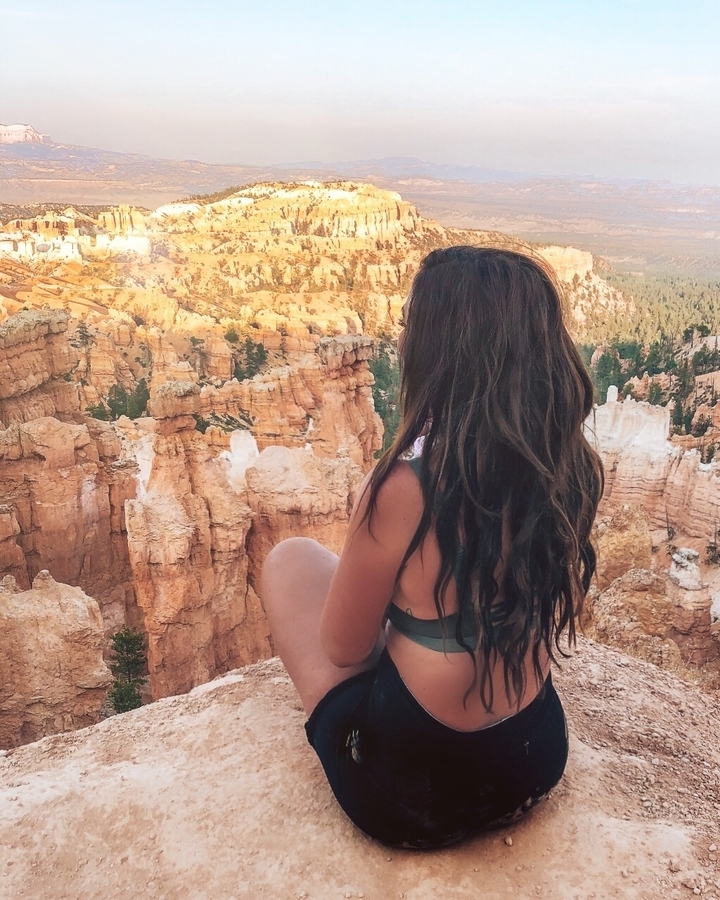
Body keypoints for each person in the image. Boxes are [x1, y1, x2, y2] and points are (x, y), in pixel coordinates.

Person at [261, 246, 604, 849]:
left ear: (434, 353)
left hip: (416, 788)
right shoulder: (564, 464)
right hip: (535, 754)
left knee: (291, 561)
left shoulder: (401, 486)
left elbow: (343, 648)